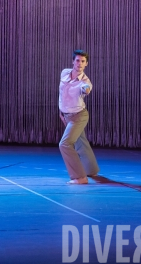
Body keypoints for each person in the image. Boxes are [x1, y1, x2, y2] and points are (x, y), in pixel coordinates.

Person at [58, 50, 99, 184]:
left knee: (65, 144)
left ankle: (80, 177)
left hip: (79, 116)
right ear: (73, 61)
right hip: (66, 115)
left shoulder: (85, 82)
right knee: (81, 142)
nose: (79, 64)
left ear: (86, 64)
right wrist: (62, 111)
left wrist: (86, 89)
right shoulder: (64, 72)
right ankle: (91, 169)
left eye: (83, 61)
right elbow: (63, 94)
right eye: (77, 60)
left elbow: (86, 89)